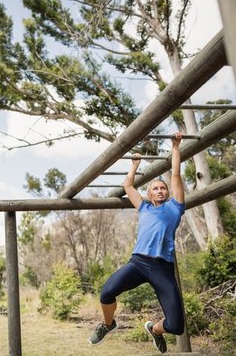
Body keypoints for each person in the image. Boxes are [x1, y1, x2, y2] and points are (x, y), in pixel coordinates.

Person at [89, 132, 185, 354]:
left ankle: (155, 329)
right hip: (139, 263)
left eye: (163, 188)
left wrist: (175, 148)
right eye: (155, 188)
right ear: (150, 195)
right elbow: (128, 186)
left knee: (176, 326)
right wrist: (134, 165)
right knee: (106, 293)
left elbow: (177, 175)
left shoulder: (175, 207)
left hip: (163, 268)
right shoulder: (144, 207)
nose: (160, 190)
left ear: (168, 193)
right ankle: (108, 324)